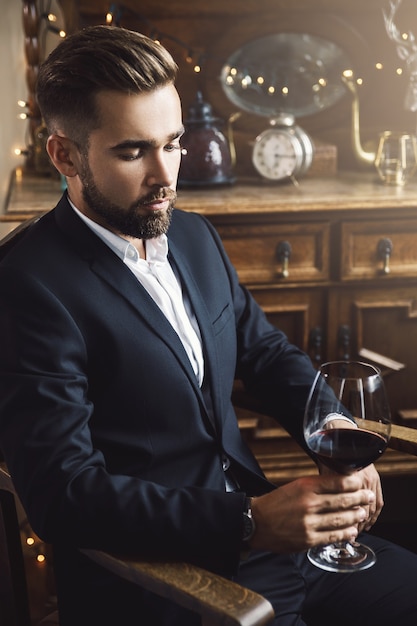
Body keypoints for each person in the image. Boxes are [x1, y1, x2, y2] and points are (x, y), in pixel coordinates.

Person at [0, 25, 416, 626]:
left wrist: (336, 435)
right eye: (132, 151)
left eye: (172, 144)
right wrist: (249, 521)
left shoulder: (193, 236)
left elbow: (267, 355)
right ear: (64, 154)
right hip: (169, 585)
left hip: (284, 551)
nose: (165, 177)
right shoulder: (26, 287)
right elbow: (63, 495)